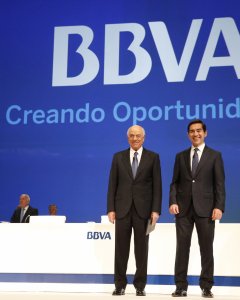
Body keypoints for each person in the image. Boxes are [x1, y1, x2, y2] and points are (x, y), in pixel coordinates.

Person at [169, 119, 225, 298]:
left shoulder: (215, 155)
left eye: (199, 130)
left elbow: (219, 185)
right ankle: (180, 286)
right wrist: (173, 201)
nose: (196, 134)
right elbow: (175, 183)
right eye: (192, 131)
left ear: (205, 133)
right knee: (182, 248)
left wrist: (219, 206)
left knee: (206, 248)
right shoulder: (180, 156)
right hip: (183, 210)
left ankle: (206, 286)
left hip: (207, 209)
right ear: (188, 134)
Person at [107, 125, 162, 296]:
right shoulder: (118, 157)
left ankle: (140, 285)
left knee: (141, 250)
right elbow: (112, 185)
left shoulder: (153, 157)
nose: (135, 138)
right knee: (120, 250)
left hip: (143, 211)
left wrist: (155, 210)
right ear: (127, 138)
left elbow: (157, 186)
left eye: (138, 136)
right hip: (122, 210)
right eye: (132, 135)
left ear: (144, 138)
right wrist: (111, 208)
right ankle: (119, 285)